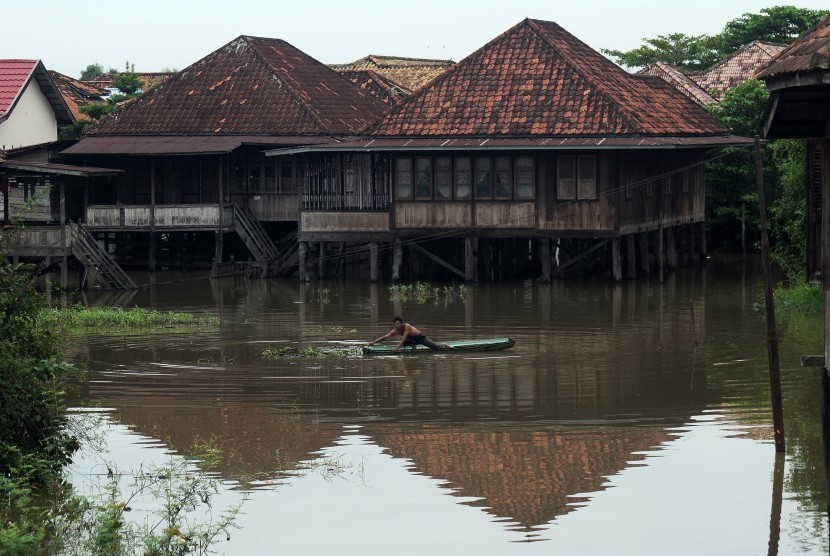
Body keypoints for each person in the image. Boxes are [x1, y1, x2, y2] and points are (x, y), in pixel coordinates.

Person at [367, 316, 449, 352]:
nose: (397, 325)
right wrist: (373, 342)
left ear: (401, 323)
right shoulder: (396, 330)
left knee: (435, 347)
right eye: (395, 324)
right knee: (405, 342)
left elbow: (404, 338)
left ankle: (444, 344)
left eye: (398, 324)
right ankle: (413, 345)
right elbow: (385, 337)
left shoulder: (407, 326)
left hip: (420, 338)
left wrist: (396, 348)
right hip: (412, 340)